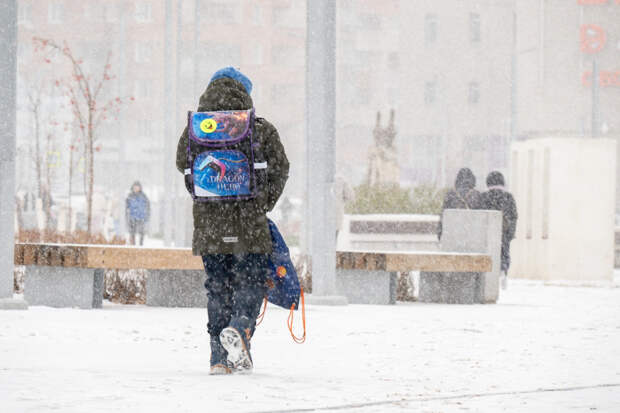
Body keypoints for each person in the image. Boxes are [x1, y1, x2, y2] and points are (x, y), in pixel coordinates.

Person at [176, 67, 289, 375]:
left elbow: (183, 167)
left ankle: (218, 357)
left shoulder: (195, 129)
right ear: (245, 93)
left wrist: (209, 202)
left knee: (217, 287)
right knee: (249, 283)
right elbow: (281, 168)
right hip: (249, 225)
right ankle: (240, 328)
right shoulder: (259, 129)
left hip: (210, 227)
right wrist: (262, 203)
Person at [479, 171, 518, 289]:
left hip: (488, 233)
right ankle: (503, 271)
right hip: (504, 232)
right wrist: (511, 232)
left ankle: (488, 275)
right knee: (504, 253)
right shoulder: (508, 197)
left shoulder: (484, 196)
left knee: (488, 253)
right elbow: (514, 216)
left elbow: (480, 215)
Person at [438, 167, 482, 240]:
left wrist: (440, 233)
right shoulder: (477, 195)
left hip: (454, 232)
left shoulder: (450, 194)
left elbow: (443, 215)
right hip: (471, 233)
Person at [125, 181, 150, 246]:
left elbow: (147, 206)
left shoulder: (144, 196)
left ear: (140, 188)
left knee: (141, 233)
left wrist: (147, 215)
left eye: (137, 187)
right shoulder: (130, 196)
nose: (136, 188)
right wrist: (127, 216)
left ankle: (141, 245)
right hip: (132, 217)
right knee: (132, 232)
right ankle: (133, 245)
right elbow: (127, 207)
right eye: (135, 187)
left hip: (141, 217)